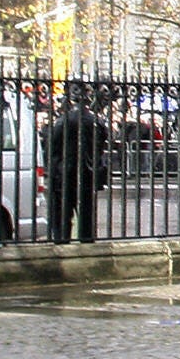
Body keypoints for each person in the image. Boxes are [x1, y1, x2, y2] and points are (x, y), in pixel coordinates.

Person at [42, 86, 112, 243]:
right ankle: (86, 244)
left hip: (63, 175)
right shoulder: (95, 122)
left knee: (62, 218)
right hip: (87, 173)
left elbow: (51, 148)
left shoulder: (62, 121)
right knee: (86, 216)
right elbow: (101, 145)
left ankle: (62, 243)